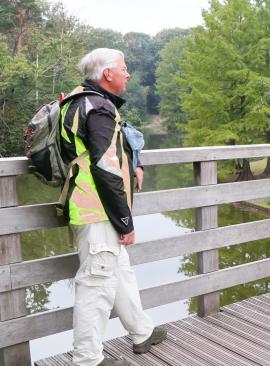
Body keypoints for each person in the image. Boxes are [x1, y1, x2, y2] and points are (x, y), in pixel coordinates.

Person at [61, 48, 166, 366]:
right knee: (96, 286)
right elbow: (106, 170)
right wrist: (125, 221)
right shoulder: (99, 107)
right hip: (98, 210)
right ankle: (87, 360)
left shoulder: (80, 102)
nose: (128, 73)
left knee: (119, 272)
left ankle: (141, 332)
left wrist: (136, 160)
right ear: (107, 73)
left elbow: (117, 144)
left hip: (88, 206)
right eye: (124, 68)